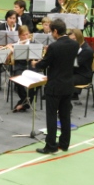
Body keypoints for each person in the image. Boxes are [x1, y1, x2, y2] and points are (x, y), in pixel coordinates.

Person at [31, 19, 79, 154]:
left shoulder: (54, 46)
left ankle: (51, 145)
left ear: (56, 31)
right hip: (68, 84)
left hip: (55, 86)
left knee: (51, 116)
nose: (51, 35)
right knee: (65, 115)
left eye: (52, 32)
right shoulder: (74, 44)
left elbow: (44, 64)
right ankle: (64, 144)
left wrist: (35, 63)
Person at [12, 26, 39, 113]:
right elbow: (10, 60)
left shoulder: (33, 44)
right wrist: (11, 50)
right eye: (23, 35)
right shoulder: (16, 45)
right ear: (19, 36)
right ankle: (25, 100)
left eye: (27, 34)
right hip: (19, 67)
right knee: (18, 80)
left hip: (31, 67)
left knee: (38, 82)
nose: (26, 37)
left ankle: (24, 103)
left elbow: (37, 57)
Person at [0, 10, 19, 92]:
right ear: (6, 18)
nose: (12, 20)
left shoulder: (19, 28)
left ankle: (18, 85)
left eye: (14, 18)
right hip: (4, 52)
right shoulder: (1, 27)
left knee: (21, 63)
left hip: (15, 52)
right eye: (10, 18)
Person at [68, 29, 94, 104]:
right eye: (70, 40)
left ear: (79, 38)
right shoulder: (75, 46)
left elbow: (75, 64)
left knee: (65, 81)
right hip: (74, 73)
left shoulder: (87, 50)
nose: (72, 41)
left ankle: (67, 106)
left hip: (83, 76)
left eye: (74, 39)